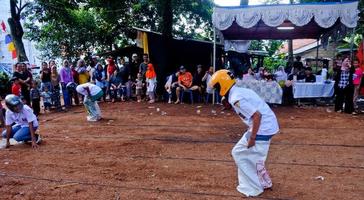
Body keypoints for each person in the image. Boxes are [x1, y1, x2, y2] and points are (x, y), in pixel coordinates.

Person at [210, 69, 279, 197]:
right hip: (268, 125)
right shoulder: (238, 91)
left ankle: (253, 187)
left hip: (262, 127)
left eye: (216, 87)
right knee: (254, 156)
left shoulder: (236, 98)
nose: (216, 90)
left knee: (239, 153)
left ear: (222, 85)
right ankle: (264, 182)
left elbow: (257, 116)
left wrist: (252, 138)